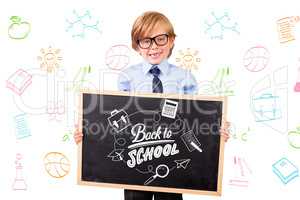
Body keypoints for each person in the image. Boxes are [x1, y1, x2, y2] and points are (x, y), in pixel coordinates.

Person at [74, 11, 230, 200]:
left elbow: (196, 118)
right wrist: (88, 135)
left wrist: (215, 134)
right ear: (137, 46)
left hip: (171, 153)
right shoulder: (127, 77)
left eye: (160, 39)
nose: (153, 47)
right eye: (146, 41)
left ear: (171, 40)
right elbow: (118, 117)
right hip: (138, 152)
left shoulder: (185, 78)